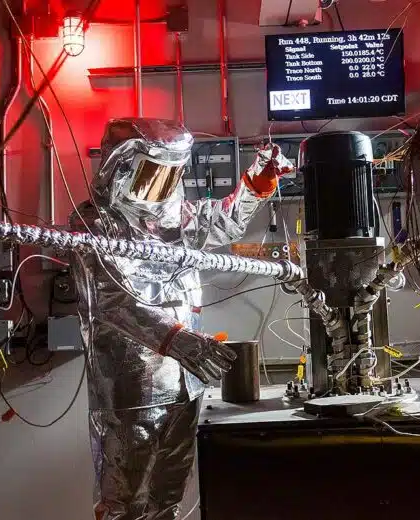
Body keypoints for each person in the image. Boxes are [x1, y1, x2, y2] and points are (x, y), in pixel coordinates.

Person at [70, 118, 292, 520]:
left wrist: (256, 184)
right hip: (130, 391)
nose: (161, 183)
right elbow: (113, 300)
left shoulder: (175, 217)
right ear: (121, 168)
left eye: (170, 173)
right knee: (126, 503)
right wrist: (177, 339)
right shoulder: (95, 223)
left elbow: (223, 221)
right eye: (153, 171)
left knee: (167, 497)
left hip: (185, 381)